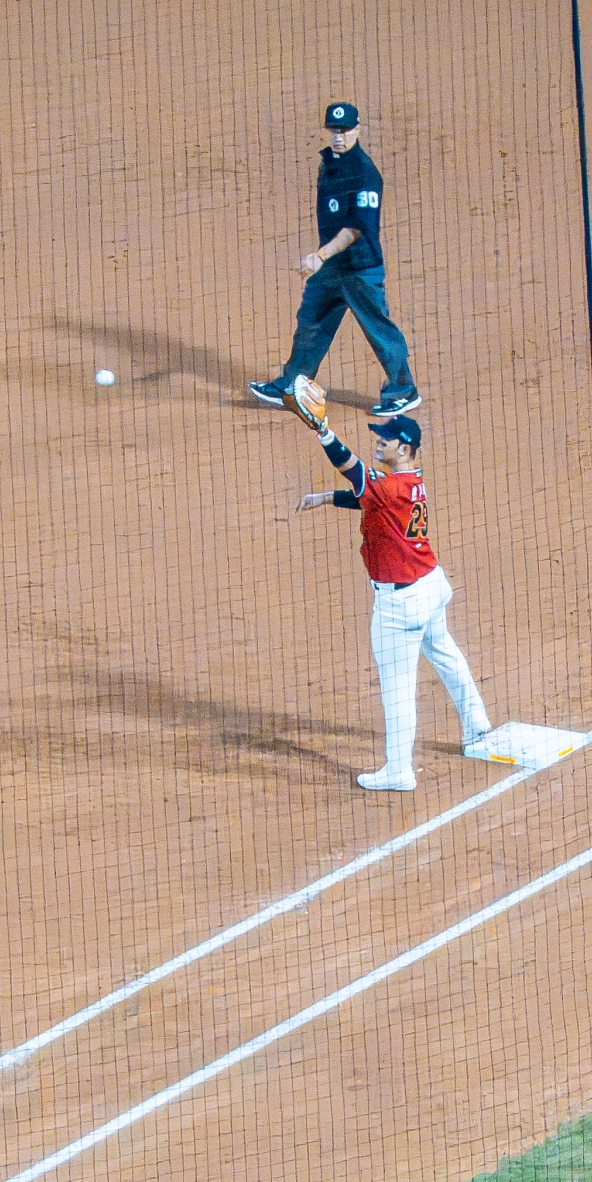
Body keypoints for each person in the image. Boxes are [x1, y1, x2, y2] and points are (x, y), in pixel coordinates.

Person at [292, 404, 490, 790]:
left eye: (387, 440)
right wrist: (327, 497)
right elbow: (368, 496)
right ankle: (477, 726)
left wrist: (324, 431)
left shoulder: (389, 487)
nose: (379, 443)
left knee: (397, 688)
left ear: (405, 448)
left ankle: (398, 770)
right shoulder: (410, 481)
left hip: (402, 605)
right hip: (429, 586)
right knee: (446, 655)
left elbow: (352, 470)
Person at [249, 102, 421, 418]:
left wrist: (320, 255)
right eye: (334, 130)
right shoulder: (329, 165)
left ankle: (403, 391)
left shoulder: (365, 174)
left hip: (360, 268)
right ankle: (292, 385)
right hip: (330, 268)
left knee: (378, 328)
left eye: (345, 130)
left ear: (357, 129)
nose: (339, 137)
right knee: (311, 324)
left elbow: (356, 228)